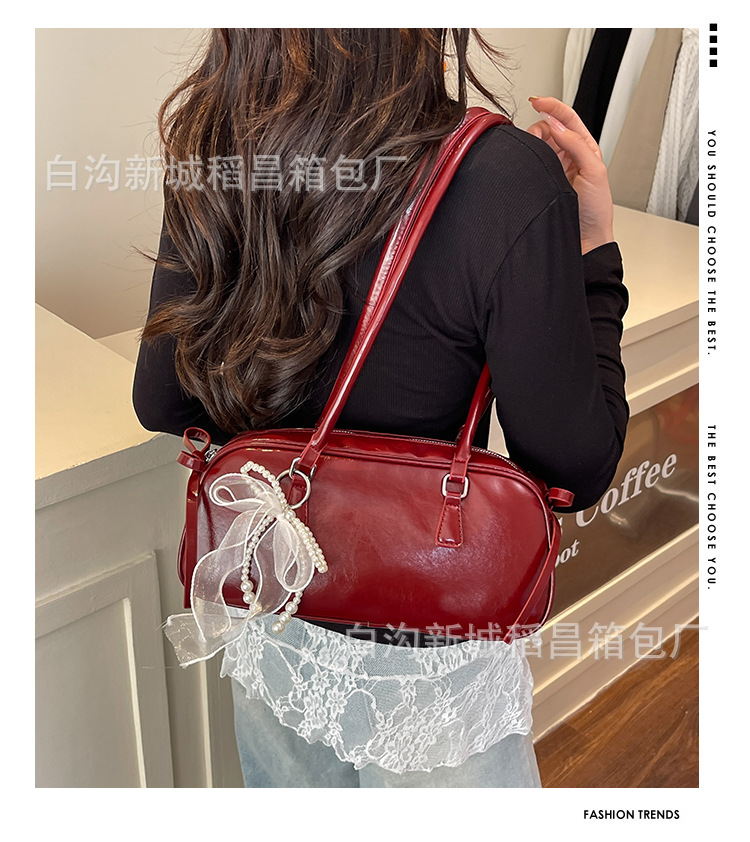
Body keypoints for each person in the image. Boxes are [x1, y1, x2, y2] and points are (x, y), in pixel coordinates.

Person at [133, 28, 628, 788]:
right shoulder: (503, 176)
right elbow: (573, 466)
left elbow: (163, 399)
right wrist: (593, 251)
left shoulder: (218, 146)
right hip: (431, 655)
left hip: (274, 614)